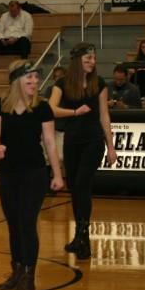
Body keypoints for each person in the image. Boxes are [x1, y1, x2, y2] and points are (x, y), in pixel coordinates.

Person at [0, 61, 64, 290]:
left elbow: (50, 142)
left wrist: (57, 174)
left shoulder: (42, 108)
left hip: (34, 173)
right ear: (16, 80)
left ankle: (29, 277)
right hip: (8, 172)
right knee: (13, 224)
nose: (34, 82)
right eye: (28, 78)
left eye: (36, 78)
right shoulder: (0, 105)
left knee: (26, 223)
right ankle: (17, 270)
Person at [49, 43, 117, 260]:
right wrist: (75, 112)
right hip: (72, 140)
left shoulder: (100, 83)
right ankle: (80, 238)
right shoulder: (62, 83)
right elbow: (51, 109)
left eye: (94, 59)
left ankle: (83, 237)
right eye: (88, 58)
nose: (92, 62)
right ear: (77, 60)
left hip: (93, 141)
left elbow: (104, 115)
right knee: (74, 188)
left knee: (82, 185)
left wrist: (111, 146)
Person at [0, 0, 33, 69]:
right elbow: (0, 32)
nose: (12, 13)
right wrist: (2, 39)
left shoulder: (27, 16)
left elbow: (28, 32)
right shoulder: (4, 16)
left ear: (19, 8)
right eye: (11, 11)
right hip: (6, 42)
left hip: (19, 42)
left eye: (14, 11)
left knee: (24, 40)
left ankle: (24, 64)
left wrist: (16, 38)